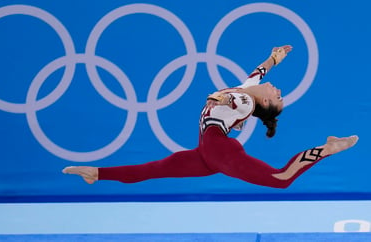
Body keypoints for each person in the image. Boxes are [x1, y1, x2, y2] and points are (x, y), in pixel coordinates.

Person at [62, 45, 359, 188]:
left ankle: (327, 148)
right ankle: (96, 173)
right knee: (151, 169)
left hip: (219, 149)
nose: (278, 89)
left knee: (281, 178)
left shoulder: (243, 100)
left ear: (265, 101)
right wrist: (274, 58)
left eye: (278, 96)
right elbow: (257, 74)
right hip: (207, 152)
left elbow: (234, 99)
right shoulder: (249, 89)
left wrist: (219, 97)